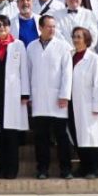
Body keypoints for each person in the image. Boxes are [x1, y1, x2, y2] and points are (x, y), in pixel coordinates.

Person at [25, 14, 74, 180]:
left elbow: (67, 73)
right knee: (41, 137)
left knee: (61, 136)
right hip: (38, 98)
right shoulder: (31, 47)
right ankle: (42, 169)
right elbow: (28, 72)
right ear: (40, 28)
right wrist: (29, 95)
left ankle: (66, 169)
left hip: (58, 98)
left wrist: (64, 95)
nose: (52, 29)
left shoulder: (63, 46)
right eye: (48, 26)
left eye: (54, 26)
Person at [0, 15, 29, 180]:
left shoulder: (18, 45)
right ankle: (1, 168)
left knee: (11, 133)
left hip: (13, 95)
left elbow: (24, 70)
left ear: (9, 27)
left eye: (4, 24)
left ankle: (12, 169)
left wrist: (25, 93)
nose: (1, 27)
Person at [67, 25, 98, 178]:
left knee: (94, 137)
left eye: (79, 37)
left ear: (87, 39)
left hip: (90, 104)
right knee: (79, 137)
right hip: (74, 104)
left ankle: (96, 169)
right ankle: (84, 166)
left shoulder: (94, 58)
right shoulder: (70, 56)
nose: (76, 39)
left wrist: (97, 105)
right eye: (74, 37)